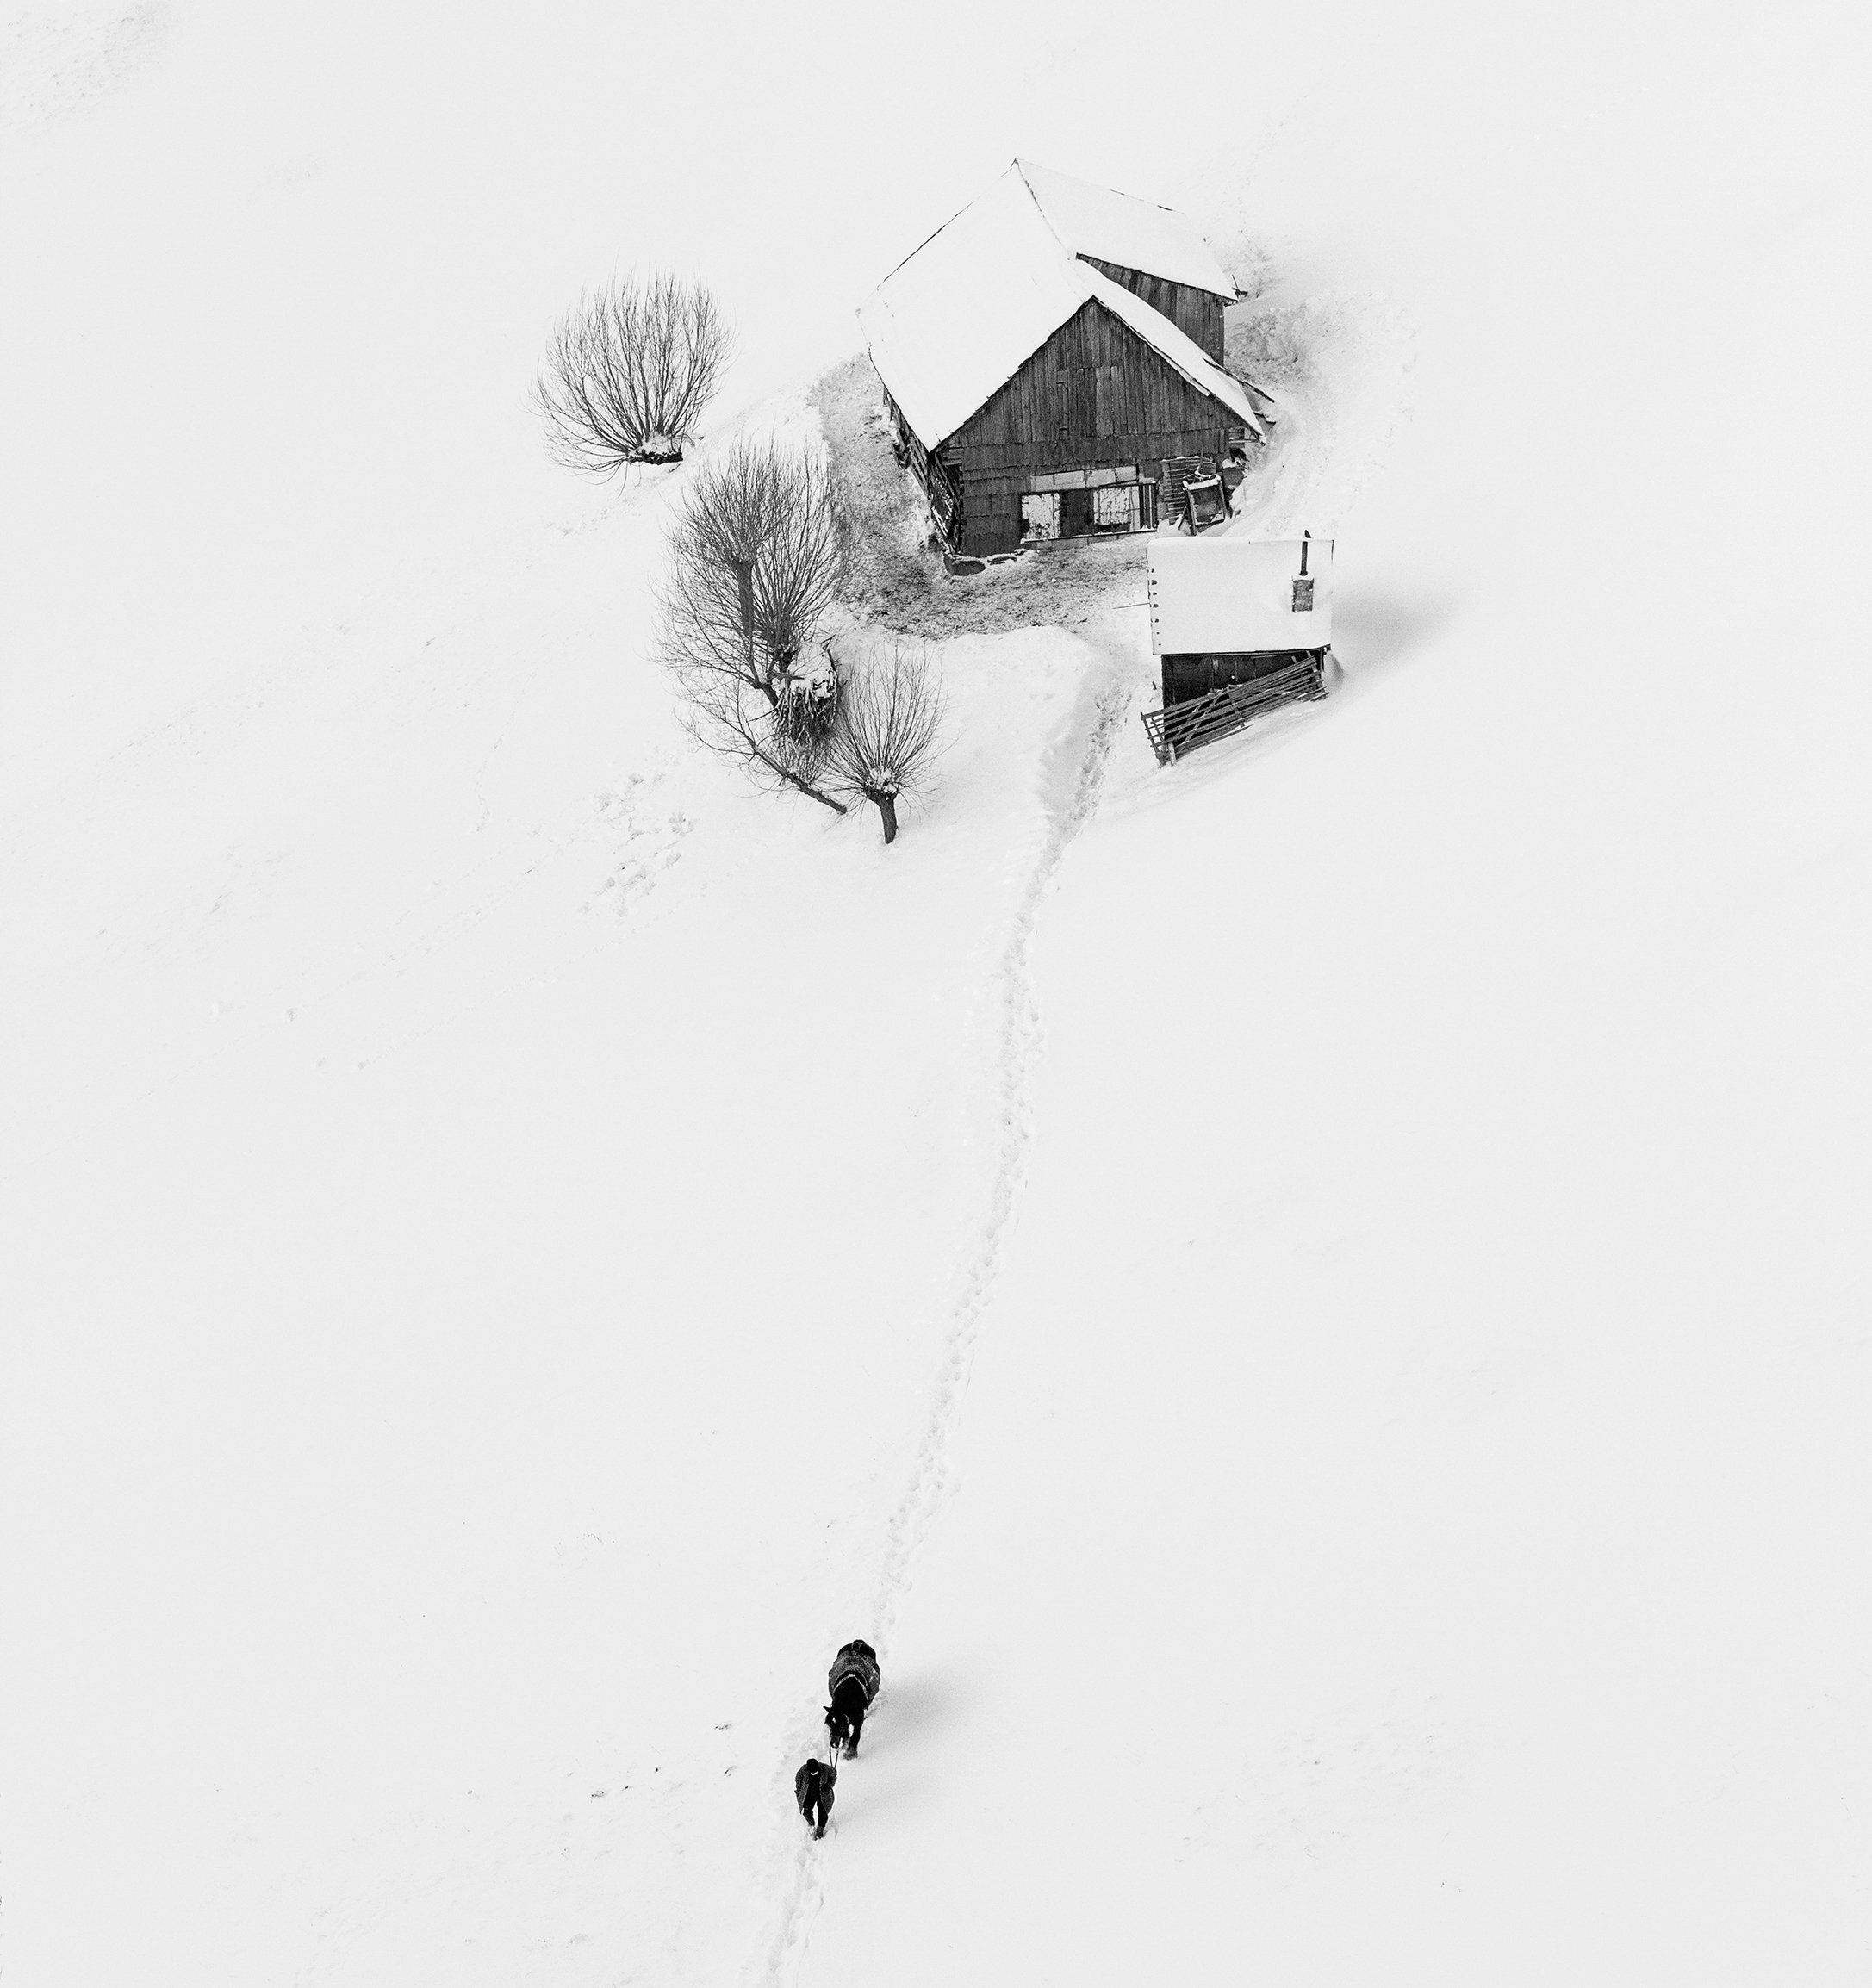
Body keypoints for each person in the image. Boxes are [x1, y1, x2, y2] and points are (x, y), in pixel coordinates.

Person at [794, 1757, 836, 1839]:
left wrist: (829, 1785)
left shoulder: (825, 1769)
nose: (814, 1773)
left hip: (823, 1794)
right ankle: (811, 1824)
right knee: (806, 1811)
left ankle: (819, 1831)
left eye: (816, 1772)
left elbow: (834, 1775)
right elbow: (798, 1782)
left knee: (823, 1813)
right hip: (808, 1794)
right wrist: (799, 1793)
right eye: (812, 1773)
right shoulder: (802, 1771)